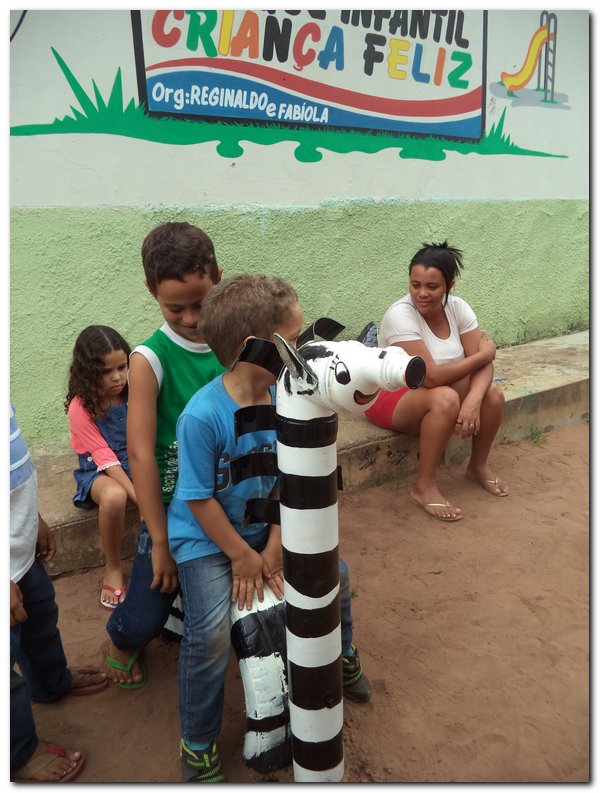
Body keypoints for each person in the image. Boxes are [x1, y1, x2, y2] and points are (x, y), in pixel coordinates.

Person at [169, 274, 372, 783]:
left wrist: (278, 546)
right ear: (252, 348)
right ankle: (197, 740)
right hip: (209, 541)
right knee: (211, 631)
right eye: (293, 342)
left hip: (271, 529)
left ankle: (341, 651)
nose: (302, 352)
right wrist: (242, 556)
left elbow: (291, 479)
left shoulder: (293, 398)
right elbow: (196, 499)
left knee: (335, 575)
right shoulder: (202, 417)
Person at [102, 221, 224, 688]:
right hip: (172, 510)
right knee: (147, 609)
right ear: (151, 291)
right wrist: (159, 540)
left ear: (219, 276)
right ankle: (120, 640)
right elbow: (142, 453)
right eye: (176, 308)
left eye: (201, 303)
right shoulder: (148, 359)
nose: (192, 318)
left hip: (223, 499)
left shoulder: (232, 342)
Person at [365, 241, 508, 522]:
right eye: (415, 284)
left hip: (435, 391)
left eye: (432, 287)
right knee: (446, 398)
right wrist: (485, 354)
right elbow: (429, 376)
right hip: (389, 395)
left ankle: (478, 466)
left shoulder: (458, 309)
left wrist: (474, 401)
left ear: (449, 285)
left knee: (492, 394)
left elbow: (480, 368)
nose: (422, 293)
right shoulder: (400, 315)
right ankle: (423, 487)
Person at [10, 405, 108, 782]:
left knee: (40, 617)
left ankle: (50, 684)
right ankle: (18, 753)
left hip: (17, 549)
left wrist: (31, 518)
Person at [65, 325, 137, 610]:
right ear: (88, 373)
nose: (117, 377)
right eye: (107, 372)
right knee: (115, 496)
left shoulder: (135, 391)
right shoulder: (80, 408)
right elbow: (104, 457)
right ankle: (114, 565)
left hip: (135, 458)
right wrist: (138, 497)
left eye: (122, 366)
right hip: (98, 468)